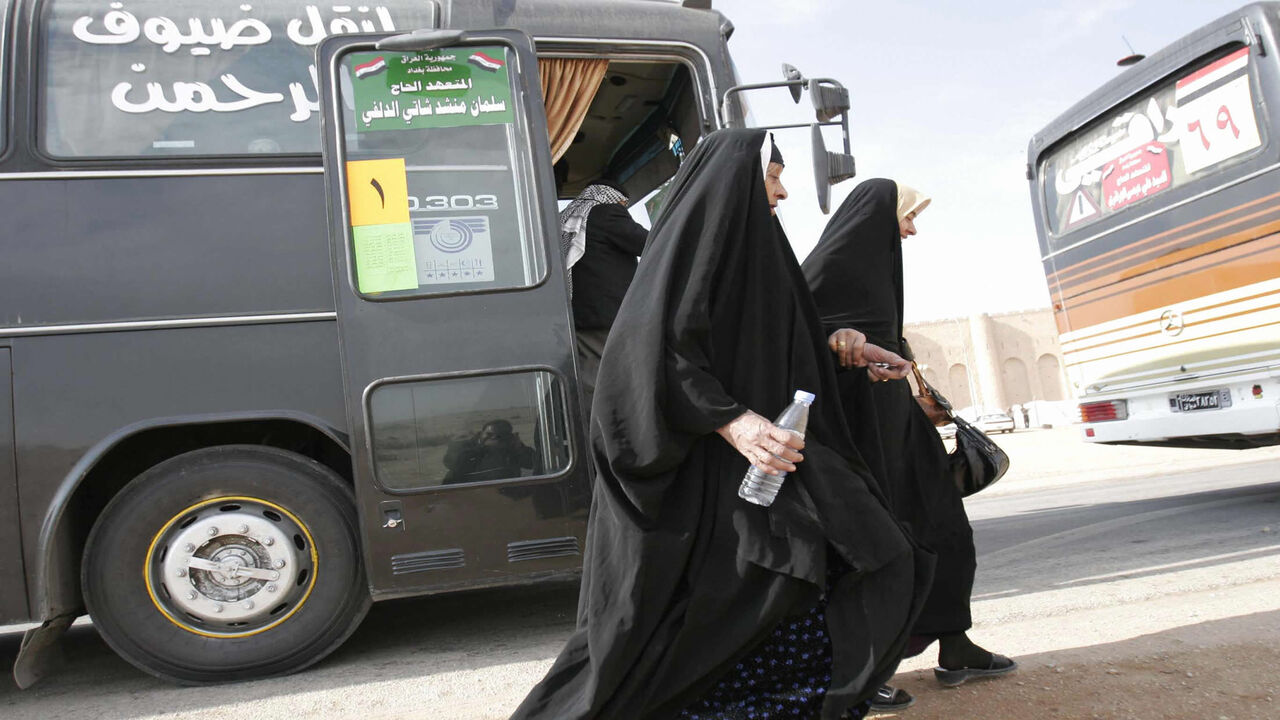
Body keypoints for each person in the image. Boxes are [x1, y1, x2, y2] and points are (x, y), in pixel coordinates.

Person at [509, 131, 931, 720]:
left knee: (876, 561)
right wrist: (733, 421)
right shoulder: (688, 257)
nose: (783, 191)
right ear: (735, 182)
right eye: (774, 176)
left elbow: (783, 348)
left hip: (780, 462)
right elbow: (652, 356)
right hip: (711, 479)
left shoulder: (764, 260)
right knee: (696, 628)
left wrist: (849, 348)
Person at [802, 179, 1017, 703]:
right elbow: (801, 339)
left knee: (945, 531)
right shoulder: (827, 270)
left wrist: (917, 397)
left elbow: (888, 346)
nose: (912, 228)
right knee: (875, 550)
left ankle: (956, 644)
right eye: (908, 215)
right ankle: (861, 674)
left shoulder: (880, 271)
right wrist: (841, 342)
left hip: (903, 433)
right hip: (858, 439)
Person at [559, 179, 649, 420]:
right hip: (609, 314)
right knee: (622, 376)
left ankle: (592, 425)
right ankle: (615, 425)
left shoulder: (568, 216)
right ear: (611, 197)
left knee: (591, 378)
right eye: (623, 203)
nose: (624, 208)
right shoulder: (605, 212)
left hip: (578, 314)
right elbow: (649, 243)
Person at [442, 419, 535, 485]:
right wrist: (482, 448)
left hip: (504, 490)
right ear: (481, 433)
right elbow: (451, 463)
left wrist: (519, 448)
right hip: (468, 490)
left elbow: (532, 463)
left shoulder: (510, 445)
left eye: (499, 436)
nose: (493, 438)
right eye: (489, 434)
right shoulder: (465, 445)